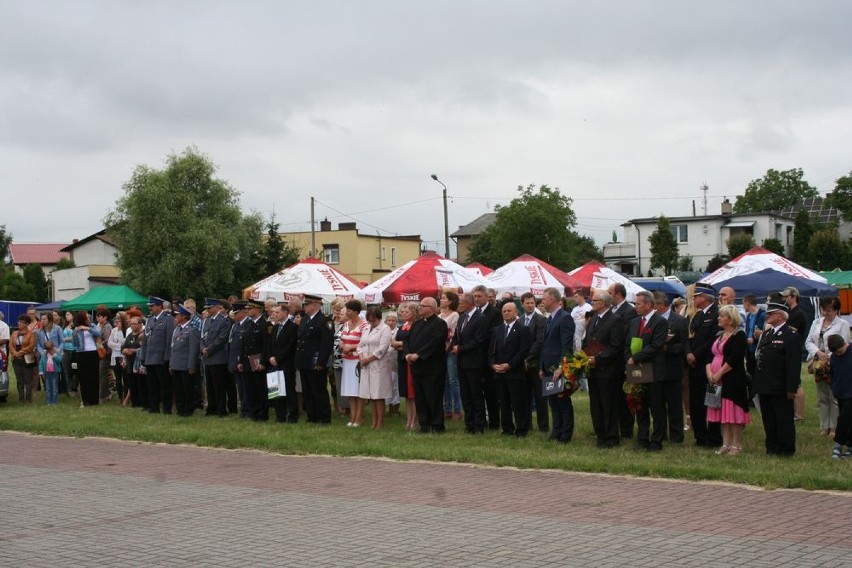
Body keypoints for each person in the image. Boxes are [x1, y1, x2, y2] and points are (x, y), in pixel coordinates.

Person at [753, 301, 801, 456]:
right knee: (769, 418)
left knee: (783, 419)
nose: (767, 315)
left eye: (771, 313)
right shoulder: (767, 334)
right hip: (765, 384)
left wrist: (791, 388)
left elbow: (793, 364)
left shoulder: (790, 335)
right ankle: (772, 447)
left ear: (780, 316)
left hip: (780, 384)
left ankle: (786, 449)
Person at [625, 291, 668, 451]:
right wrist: (629, 358)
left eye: (639, 303)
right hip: (637, 370)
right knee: (639, 405)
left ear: (649, 305)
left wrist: (636, 357)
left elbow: (656, 345)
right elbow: (628, 343)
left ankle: (656, 440)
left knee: (656, 407)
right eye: (635, 303)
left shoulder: (660, 322)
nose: (636, 306)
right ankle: (642, 438)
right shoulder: (634, 322)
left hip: (653, 370)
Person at [706, 305, 751, 456]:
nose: (718, 319)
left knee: (732, 412)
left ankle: (736, 445)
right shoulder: (718, 335)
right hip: (715, 380)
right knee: (721, 413)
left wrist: (719, 373)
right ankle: (725, 443)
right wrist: (709, 372)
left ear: (730, 320)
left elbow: (735, 358)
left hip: (732, 379)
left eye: (722, 316)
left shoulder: (739, 335)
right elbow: (709, 355)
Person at [805, 296, 850, 437]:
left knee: (834, 396)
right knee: (821, 396)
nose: (826, 313)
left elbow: (843, 344)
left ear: (836, 310)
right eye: (824, 310)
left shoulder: (843, 324)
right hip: (817, 363)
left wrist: (828, 356)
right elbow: (808, 341)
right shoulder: (816, 322)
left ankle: (834, 427)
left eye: (829, 311)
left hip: (834, 363)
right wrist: (817, 352)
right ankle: (824, 426)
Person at [585, 291, 625, 448]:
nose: (592, 302)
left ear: (604, 303)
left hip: (607, 370)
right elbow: (588, 340)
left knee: (608, 404)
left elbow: (615, 346)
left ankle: (611, 436)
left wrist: (598, 359)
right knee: (595, 404)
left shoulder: (615, 320)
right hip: (593, 370)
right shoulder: (594, 318)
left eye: (594, 300)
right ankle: (600, 434)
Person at [686, 284, 722, 448]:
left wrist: (697, 354)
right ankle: (700, 436)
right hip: (694, 366)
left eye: (696, 296)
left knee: (712, 401)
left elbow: (713, 340)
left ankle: (714, 437)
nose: (693, 299)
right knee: (696, 402)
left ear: (705, 297)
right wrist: (688, 353)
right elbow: (689, 337)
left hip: (709, 365)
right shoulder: (698, 316)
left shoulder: (717, 314)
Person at [405, 297, 448, 433]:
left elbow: (435, 343)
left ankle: (437, 425)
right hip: (417, 367)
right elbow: (407, 340)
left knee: (433, 397)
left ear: (431, 308)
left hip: (432, 367)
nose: (420, 308)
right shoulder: (417, 324)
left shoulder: (440, 324)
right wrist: (407, 354)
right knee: (420, 398)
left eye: (422, 306)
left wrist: (419, 354)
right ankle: (424, 424)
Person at [489, 302, 532, 437]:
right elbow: (491, 350)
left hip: (515, 372)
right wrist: (493, 365)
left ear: (516, 313)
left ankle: (521, 429)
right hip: (499, 372)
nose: (506, 313)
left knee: (518, 402)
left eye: (509, 311)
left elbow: (523, 351)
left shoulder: (523, 329)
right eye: (504, 311)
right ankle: (507, 428)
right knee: (504, 402)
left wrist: (510, 365)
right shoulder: (497, 330)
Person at [540, 287, 575, 444]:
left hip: (558, 367)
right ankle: (556, 430)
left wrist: (562, 366)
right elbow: (546, 344)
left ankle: (565, 434)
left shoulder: (565, 318)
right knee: (552, 402)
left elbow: (566, 346)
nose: (542, 301)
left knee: (562, 400)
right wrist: (542, 366)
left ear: (553, 299)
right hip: (548, 367)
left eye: (544, 298)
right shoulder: (550, 318)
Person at [653, 291, 687, 443]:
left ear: (660, 305)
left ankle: (676, 435)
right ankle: (660, 433)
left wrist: (669, 349)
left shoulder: (679, 321)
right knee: (657, 404)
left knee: (674, 404)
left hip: (672, 367)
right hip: (655, 368)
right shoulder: (652, 320)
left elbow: (684, 344)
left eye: (654, 305)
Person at [452, 292, 488, 434]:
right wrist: (454, 344)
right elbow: (456, 336)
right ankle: (469, 424)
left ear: (469, 303)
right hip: (462, 363)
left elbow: (479, 340)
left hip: (474, 363)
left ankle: (479, 425)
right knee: (465, 395)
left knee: (476, 395)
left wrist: (460, 348)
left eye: (461, 302)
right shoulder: (461, 318)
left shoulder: (480, 318)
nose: (459, 305)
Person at [295, 294, 334, 424]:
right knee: (308, 391)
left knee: (319, 390)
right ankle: (311, 416)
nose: (304, 307)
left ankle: (323, 418)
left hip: (316, 361)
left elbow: (326, 344)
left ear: (316, 305)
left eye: (307, 305)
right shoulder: (305, 320)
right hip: (304, 361)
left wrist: (321, 362)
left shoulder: (324, 321)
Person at [608, 282, 637, 439]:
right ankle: (617, 425)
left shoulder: (629, 311)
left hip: (622, 359)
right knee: (615, 397)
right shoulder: (612, 310)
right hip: (611, 361)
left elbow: (625, 335)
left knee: (625, 397)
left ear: (617, 294)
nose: (608, 295)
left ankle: (626, 430)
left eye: (610, 292)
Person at [359, 306, 393, 430]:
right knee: (371, 394)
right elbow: (361, 344)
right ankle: (373, 421)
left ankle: (380, 422)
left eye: (374, 320)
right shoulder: (367, 328)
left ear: (379, 318)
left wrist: (368, 359)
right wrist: (362, 356)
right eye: (369, 320)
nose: (371, 323)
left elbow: (382, 349)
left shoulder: (385, 329)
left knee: (379, 395)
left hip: (379, 365)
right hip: (366, 364)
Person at [472, 285, 502, 429]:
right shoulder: (472, 313)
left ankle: (494, 422)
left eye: (479, 296)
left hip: (487, 356)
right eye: (475, 296)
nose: (477, 299)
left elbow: (493, 334)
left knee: (491, 391)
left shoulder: (495, 313)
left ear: (486, 297)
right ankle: (480, 420)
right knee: (477, 391)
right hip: (474, 358)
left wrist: (476, 340)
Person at [202, 298, 236, 417]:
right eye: (207, 308)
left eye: (209, 308)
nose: (208, 310)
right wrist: (202, 349)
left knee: (219, 386)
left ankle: (221, 409)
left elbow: (222, 339)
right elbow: (202, 338)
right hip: (207, 357)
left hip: (218, 357)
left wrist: (209, 350)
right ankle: (211, 408)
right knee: (210, 386)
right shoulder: (206, 321)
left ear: (216, 307)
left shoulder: (224, 321)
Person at [781, 286, 811, 421]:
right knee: (789, 380)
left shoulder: (798, 313)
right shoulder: (789, 311)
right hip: (787, 349)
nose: (785, 299)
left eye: (787, 297)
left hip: (795, 350)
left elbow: (790, 331)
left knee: (796, 382)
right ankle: (793, 412)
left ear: (794, 297)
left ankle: (799, 414)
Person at [266, 304, 298, 423]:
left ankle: (293, 416)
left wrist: (278, 358)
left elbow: (290, 346)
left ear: (285, 313)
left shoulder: (293, 327)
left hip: (286, 364)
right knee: (276, 391)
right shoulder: (274, 328)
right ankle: (280, 416)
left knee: (289, 391)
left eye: (278, 312)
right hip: (274, 365)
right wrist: (270, 357)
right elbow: (269, 344)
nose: (275, 314)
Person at [520, 292, 548, 433]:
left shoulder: (541, 319)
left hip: (536, 363)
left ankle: (543, 427)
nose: (530, 305)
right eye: (527, 303)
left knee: (540, 396)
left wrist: (528, 358)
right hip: (522, 364)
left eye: (532, 303)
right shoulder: (519, 321)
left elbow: (539, 341)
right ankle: (526, 425)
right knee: (524, 395)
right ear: (522, 304)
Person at [339, 299, 368, 427]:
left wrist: (351, 348)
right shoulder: (345, 325)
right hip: (347, 360)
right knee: (350, 390)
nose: (347, 313)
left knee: (358, 391)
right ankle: (352, 417)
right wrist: (343, 346)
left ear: (356, 312)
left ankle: (359, 417)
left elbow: (364, 342)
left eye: (349, 311)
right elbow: (341, 339)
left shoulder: (364, 325)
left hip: (357, 360)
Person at [144, 297, 175, 414]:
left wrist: (167, 357)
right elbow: (146, 339)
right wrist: (144, 356)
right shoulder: (149, 320)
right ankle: (154, 407)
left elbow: (169, 340)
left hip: (161, 358)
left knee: (165, 386)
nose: (150, 308)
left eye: (152, 306)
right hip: (150, 358)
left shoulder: (168, 319)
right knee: (152, 385)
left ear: (159, 306)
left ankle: (167, 409)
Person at [170, 304, 201, 417]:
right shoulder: (177, 329)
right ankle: (180, 408)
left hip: (185, 365)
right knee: (178, 389)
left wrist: (191, 365)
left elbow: (193, 350)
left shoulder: (192, 331)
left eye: (177, 315)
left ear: (183, 316)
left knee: (187, 388)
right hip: (176, 364)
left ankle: (188, 409)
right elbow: (173, 348)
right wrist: (171, 364)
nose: (176, 317)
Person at [392, 303, 419, 429]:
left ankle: (414, 420)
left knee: (413, 392)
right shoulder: (402, 326)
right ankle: (409, 419)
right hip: (401, 360)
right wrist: (400, 344)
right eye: (402, 312)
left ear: (414, 313)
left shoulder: (416, 326)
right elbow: (393, 343)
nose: (403, 314)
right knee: (406, 393)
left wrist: (400, 344)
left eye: (406, 312)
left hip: (410, 361)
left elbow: (411, 343)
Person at [242, 301, 269, 421]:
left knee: (260, 388)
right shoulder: (249, 324)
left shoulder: (265, 324)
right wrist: (241, 361)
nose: (247, 310)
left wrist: (263, 362)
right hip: (248, 360)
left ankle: (262, 413)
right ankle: (253, 412)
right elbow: (245, 345)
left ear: (257, 309)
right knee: (250, 388)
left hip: (258, 360)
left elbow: (266, 346)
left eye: (250, 308)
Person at [827, 334, 852, 459]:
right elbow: (832, 373)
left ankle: (839, 443)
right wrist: (833, 386)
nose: (838, 353)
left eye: (840, 350)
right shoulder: (834, 357)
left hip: (850, 393)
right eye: (835, 352)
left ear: (844, 344)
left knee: (844, 418)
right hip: (840, 392)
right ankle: (849, 444)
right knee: (846, 418)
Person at [440, 291, 462, 420]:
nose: (441, 300)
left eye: (443, 298)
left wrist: (448, 347)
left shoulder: (454, 315)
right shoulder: (440, 315)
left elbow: (453, 334)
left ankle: (458, 410)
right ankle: (447, 409)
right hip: (441, 351)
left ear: (450, 301)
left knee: (453, 381)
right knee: (445, 382)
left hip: (450, 351)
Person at [72, 311, 102, 407]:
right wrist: (77, 332)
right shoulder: (76, 329)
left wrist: (87, 328)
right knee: (84, 377)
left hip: (93, 352)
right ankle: (85, 400)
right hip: (81, 353)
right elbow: (75, 343)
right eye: (86, 317)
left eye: (88, 316)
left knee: (94, 376)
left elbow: (99, 333)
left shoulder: (92, 325)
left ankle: (94, 400)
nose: (88, 318)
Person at [227, 301, 250, 418]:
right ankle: (244, 409)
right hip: (234, 361)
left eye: (236, 313)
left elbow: (245, 345)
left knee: (246, 387)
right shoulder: (236, 325)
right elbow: (232, 344)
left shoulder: (248, 324)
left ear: (242, 312)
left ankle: (247, 410)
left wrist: (241, 361)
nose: (234, 316)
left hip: (243, 361)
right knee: (240, 388)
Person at [329, 297, 349, 416]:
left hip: (341, 356)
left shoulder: (345, 323)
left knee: (340, 382)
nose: (337, 312)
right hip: (329, 356)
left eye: (339, 309)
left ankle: (344, 406)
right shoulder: (328, 321)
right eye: (335, 309)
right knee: (332, 382)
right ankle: (336, 405)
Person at [10, 315, 37, 403]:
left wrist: (20, 353)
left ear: (26, 324)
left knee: (27, 380)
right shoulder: (14, 333)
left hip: (26, 359)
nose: (19, 323)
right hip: (16, 360)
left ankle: (28, 399)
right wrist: (15, 354)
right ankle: (21, 398)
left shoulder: (31, 334)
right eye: (19, 322)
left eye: (21, 322)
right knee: (19, 380)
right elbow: (10, 345)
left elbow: (31, 346)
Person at [121, 316, 145, 408]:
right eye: (131, 324)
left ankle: (142, 402)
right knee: (131, 383)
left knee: (140, 384)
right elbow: (123, 347)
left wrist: (133, 351)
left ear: (140, 324)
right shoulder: (130, 335)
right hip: (130, 363)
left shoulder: (142, 335)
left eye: (135, 324)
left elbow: (143, 348)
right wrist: (125, 351)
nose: (133, 326)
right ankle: (134, 403)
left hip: (139, 364)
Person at [743, 294, 766, 381]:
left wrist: (755, 338)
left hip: (758, 349)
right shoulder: (749, 316)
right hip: (749, 350)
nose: (743, 306)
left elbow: (767, 332)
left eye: (743, 303)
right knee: (750, 373)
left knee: (758, 374)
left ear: (747, 303)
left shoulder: (763, 315)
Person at [94, 306, 114, 403]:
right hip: (98, 352)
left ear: (105, 317)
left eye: (100, 316)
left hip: (105, 353)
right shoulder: (98, 326)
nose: (98, 318)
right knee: (100, 374)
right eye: (98, 316)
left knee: (102, 374)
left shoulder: (107, 327)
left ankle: (103, 395)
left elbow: (107, 341)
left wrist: (99, 343)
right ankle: (104, 393)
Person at [108, 311, 128, 403]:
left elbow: (124, 343)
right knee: (118, 378)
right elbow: (109, 343)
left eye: (119, 318)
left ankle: (126, 397)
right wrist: (118, 346)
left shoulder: (126, 330)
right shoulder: (113, 330)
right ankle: (120, 397)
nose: (117, 320)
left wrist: (120, 331)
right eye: (116, 318)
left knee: (125, 377)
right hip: (115, 356)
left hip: (123, 356)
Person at [39, 340, 62, 405]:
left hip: (55, 372)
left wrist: (54, 355)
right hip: (47, 373)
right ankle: (49, 401)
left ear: (53, 347)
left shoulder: (56, 353)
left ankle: (54, 401)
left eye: (50, 349)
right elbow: (41, 363)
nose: (49, 351)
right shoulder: (44, 354)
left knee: (54, 388)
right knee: (48, 388)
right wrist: (41, 372)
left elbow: (60, 360)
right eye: (47, 350)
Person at [61, 311, 77, 396]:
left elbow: (76, 337)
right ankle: (68, 389)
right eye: (66, 314)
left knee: (74, 370)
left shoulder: (75, 326)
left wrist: (65, 339)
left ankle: (74, 388)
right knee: (66, 371)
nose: (66, 316)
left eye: (68, 314)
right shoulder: (64, 326)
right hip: (65, 350)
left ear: (73, 316)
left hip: (74, 350)